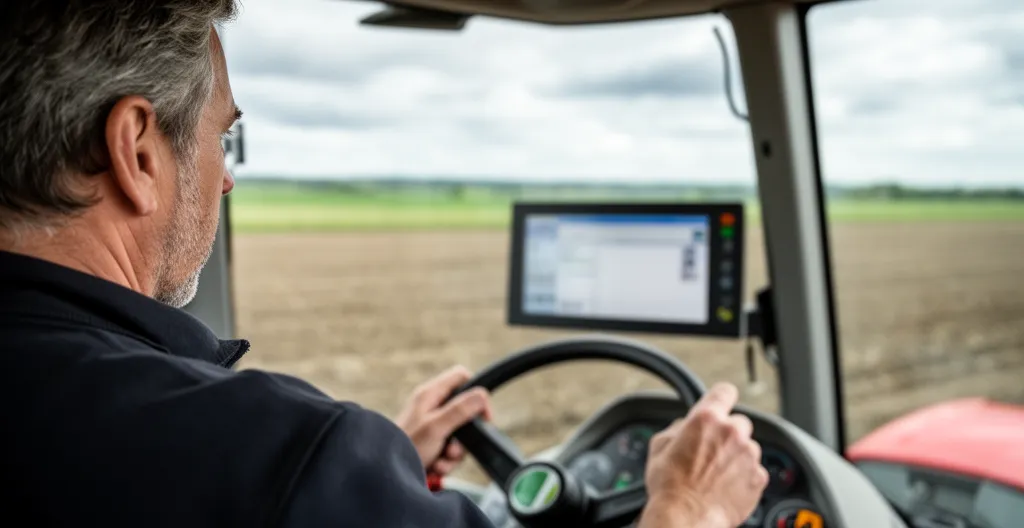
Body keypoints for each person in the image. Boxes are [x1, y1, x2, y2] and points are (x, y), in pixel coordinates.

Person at [0, 1, 769, 526]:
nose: (226, 175)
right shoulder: (273, 454)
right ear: (137, 150)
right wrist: (689, 507)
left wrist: (376, 474)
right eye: (220, 138)